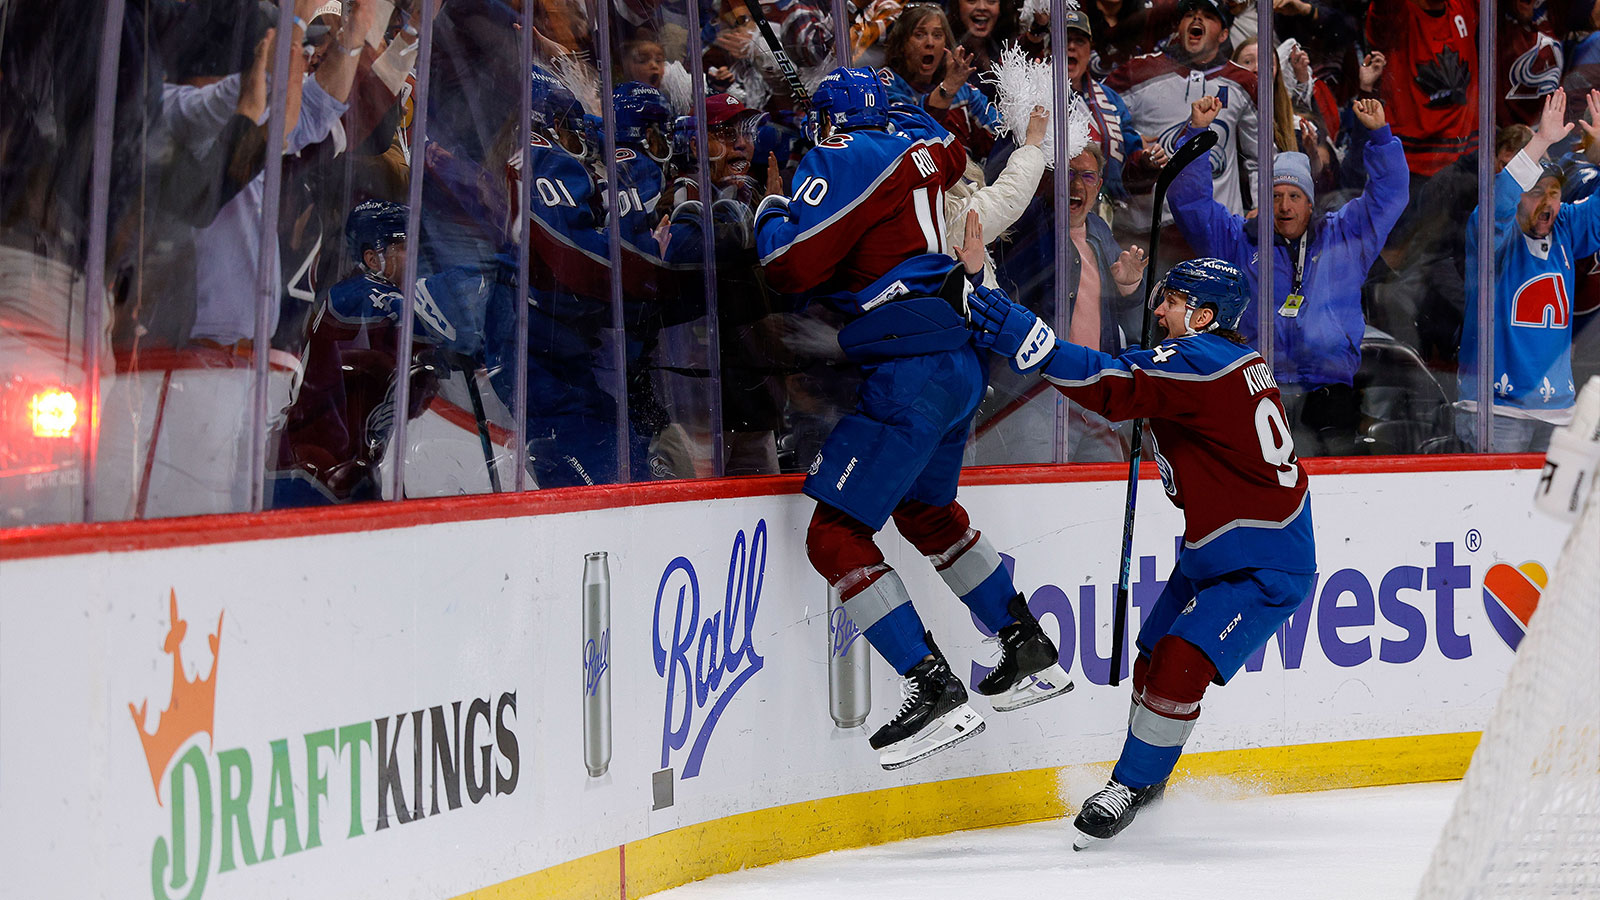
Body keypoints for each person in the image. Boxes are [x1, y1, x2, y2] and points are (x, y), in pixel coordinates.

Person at [755, 67, 1072, 769]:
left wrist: (771, 201)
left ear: (834, 123)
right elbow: (950, 151)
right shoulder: (929, 148)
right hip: (956, 362)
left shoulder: (849, 153)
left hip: (908, 367)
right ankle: (1023, 643)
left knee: (835, 536)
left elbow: (787, 262)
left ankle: (930, 686)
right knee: (928, 514)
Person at [961, 250, 1315, 848]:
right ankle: (1149, 780)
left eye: (1172, 301)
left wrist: (1030, 338)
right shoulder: (1225, 357)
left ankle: (1129, 783)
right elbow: (1134, 370)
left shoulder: (1202, 362)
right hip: (1216, 548)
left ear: (1203, 316)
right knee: (1152, 656)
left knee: (1179, 659)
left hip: (1263, 560)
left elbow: (1112, 386)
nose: (1160, 308)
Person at [1168, 96, 1407, 456]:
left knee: (1335, 488)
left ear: (1310, 202)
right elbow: (1190, 206)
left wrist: (1380, 137)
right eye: (1276, 195)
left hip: (1328, 387)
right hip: (1257, 386)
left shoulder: (1344, 237)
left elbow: (1388, 197)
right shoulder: (1237, 240)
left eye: (1295, 195)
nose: (1284, 206)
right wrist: (1198, 133)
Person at [977, 144, 1148, 464]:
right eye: (1068, 174)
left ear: (1099, 185)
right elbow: (1004, 181)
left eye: (1087, 175)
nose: (1077, 184)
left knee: (1105, 496)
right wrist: (1030, 139)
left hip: (1093, 391)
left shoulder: (1098, 229)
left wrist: (1129, 288)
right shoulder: (1033, 225)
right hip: (1038, 395)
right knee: (1040, 492)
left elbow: (1121, 318)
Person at [1460, 90, 1600, 452]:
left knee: (1548, 511)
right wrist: (1540, 142)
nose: (1547, 202)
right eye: (1535, 192)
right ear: (1520, 194)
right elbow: (1498, 200)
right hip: (1495, 411)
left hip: (1558, 414)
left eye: (1553, 192)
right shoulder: (1492, 233)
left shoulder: (1565, 227)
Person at [1105, 0, 1258, 242]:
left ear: (1224, 34)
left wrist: (1260, 206)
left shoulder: (1243, 82)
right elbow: (1096, 115)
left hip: (1217, 230)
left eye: (1208, 15)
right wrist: (1129, 139)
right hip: (1146, 233)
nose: (1197, 19)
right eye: (1189, 14)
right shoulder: (1139, 71)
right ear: (1179, 27)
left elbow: (1261, 158)